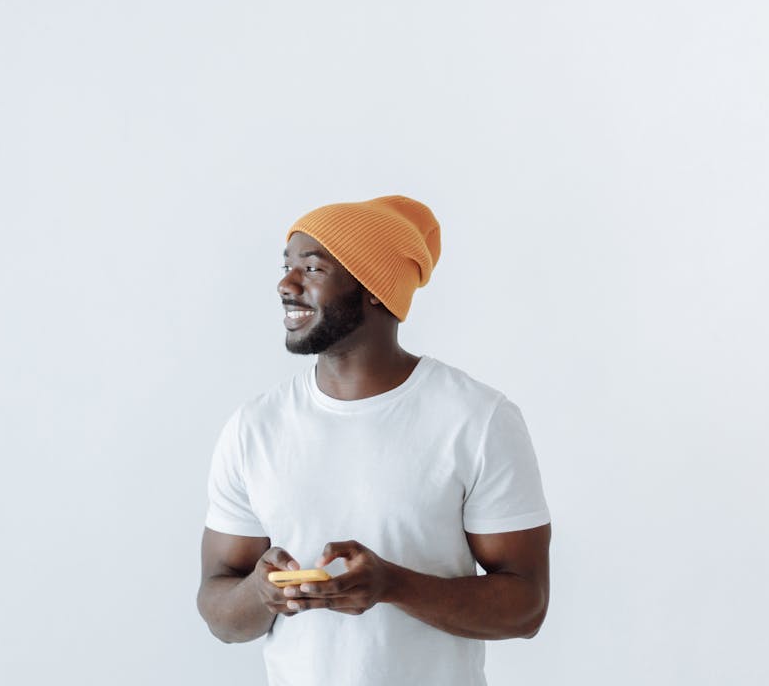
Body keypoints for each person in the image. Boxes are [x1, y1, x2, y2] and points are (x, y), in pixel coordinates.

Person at [196, 195, 552, 686]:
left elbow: (526, 607)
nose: (286, 284)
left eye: (313, 267)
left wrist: (394, 586)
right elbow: (218, 609)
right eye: (287, 266)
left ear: (375, 290)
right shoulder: (254, 427)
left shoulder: (478, 419)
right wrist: (261, 593)